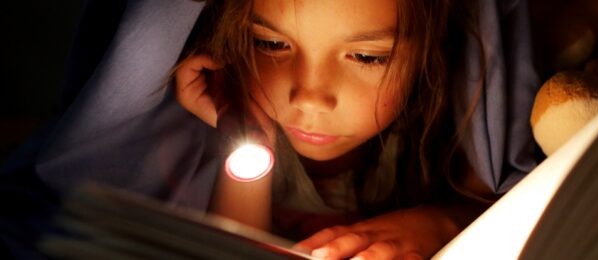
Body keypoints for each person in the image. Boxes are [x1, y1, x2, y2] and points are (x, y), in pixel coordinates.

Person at [173, 0, 500, 259]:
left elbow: (493, 205)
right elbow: (231, 252)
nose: (309, 98)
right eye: (270, 43)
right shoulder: (195, 138)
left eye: (366, 57)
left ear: (429, 54)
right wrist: (248, 130)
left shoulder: (457, 126)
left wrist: (440, 224)